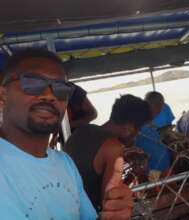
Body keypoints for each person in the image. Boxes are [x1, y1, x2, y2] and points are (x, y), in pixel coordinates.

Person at [0, 48, 133, 219]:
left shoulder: (64, 163)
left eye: (61, 88)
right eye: (32, 83)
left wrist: (113, 214)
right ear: (3, 95)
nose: (49, 95)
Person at [64, 94, 152, 210]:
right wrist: (134, 174)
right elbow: (110, 205)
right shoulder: (114, 147)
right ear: (128, 128)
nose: (136, 135)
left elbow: (89, 169)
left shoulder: (82, 131)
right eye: (138, 130)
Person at [135, 91, 174, 182]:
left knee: (170, 187)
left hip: (164, 159)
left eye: (158, 108)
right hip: (147, 164)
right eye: (150, 108)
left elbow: (169, 131)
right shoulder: (135, 115)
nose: (153, 113)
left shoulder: (165, 109)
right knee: (153, 189)